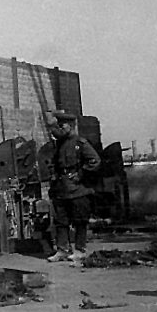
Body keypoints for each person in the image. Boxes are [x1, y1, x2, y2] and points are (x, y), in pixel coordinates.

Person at [45, 111, 101, 263]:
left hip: (78, 189)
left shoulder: (80, 143)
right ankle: (62, 250)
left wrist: (80, 175)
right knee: (60, 221)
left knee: (80, 221)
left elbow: (95, 160)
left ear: (70, 126)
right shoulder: (59, 145)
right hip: (61, 188)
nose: (60, 129)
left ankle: (79, 250)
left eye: (62, 126)